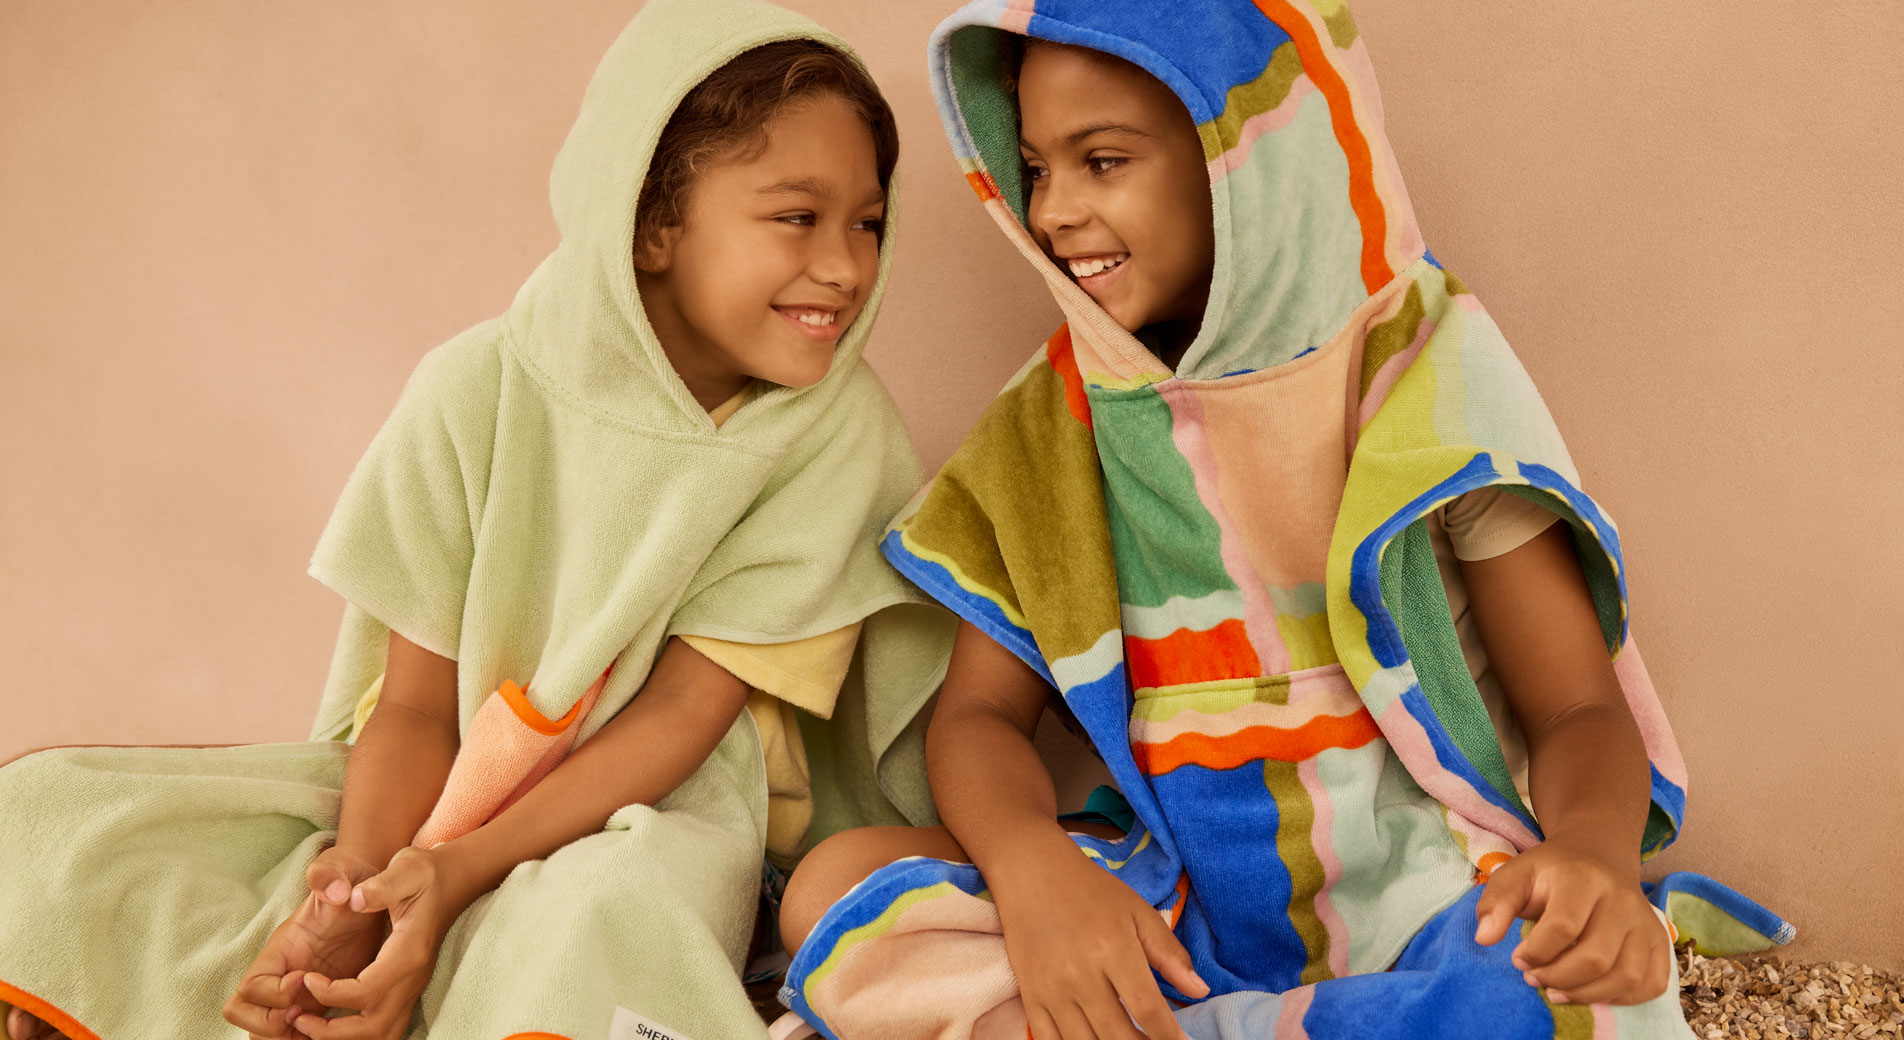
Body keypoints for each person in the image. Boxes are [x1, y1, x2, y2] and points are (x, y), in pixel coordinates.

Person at [774, 3, 1790, 1038]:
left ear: (1238, 159)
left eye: (1102, 160)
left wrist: (1588, 859)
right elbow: (978, 717)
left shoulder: (1416, 375)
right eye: (1035, 168)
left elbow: (1576, 704)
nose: (1053, 212)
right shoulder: (1054, 424)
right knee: (834, 884)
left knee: (1561, 986)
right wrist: (1037, 873)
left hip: (1425, 903)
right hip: (1177, 914)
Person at [0, 2, 952, 1037]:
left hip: (672, 801)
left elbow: (681, 719)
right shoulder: (476, 387)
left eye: (866, 221)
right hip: (443, 768)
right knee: (59, 814)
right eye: (795, 217)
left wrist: (455, 872)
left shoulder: (833, 433)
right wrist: (358, 893)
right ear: (651, 222)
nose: (846, 267)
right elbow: (411, 706)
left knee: (601, 912)